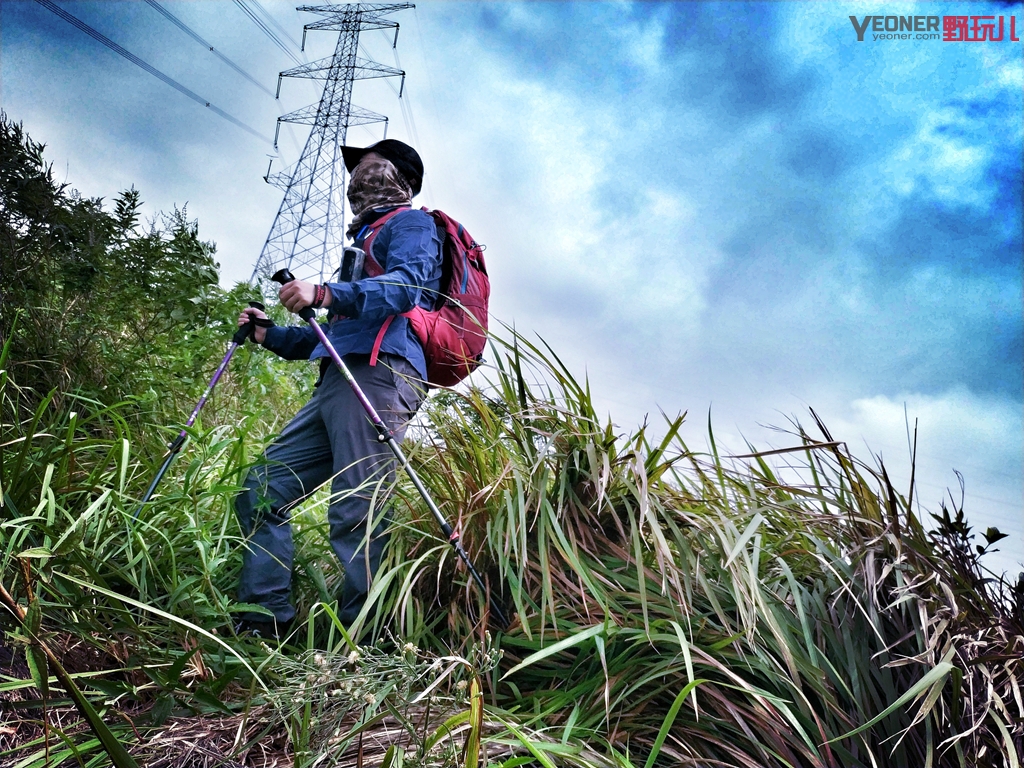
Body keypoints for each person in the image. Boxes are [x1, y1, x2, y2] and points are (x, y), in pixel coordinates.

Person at [234, 139, 442, 639]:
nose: (360, 177)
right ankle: (265, 625)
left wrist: (324, 292)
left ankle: (366, 644)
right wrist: (268, 335)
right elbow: (328, 335)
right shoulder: (359, 245)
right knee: (263, 490)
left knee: (358, 508)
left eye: (373, 166)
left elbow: (409, 286)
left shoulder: (412, 224)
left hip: (378, 372)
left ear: (401, 179)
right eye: (356, 170)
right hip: (339, 378)